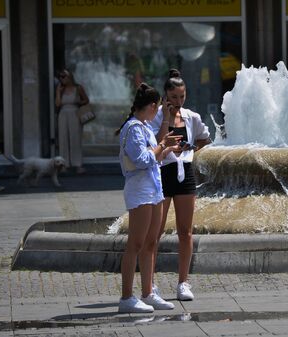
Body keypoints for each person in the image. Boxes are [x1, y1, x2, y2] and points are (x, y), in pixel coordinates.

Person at [115, 82, 182, 313]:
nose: (159, 112)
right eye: (159, 109)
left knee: (151, 243)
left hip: (154, 188)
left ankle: (148, 292)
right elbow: (143, 159)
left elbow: (154, 158)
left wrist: (167, 149)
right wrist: (162, 144)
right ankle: (126, 297)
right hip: (140, 189)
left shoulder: (143, 126)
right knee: (135, 243)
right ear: (152, 106)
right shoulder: (133, 128)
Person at [148, 69, 211, 301]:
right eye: (174, 97)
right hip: (162, 173)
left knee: (185, 232)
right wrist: (165, 116)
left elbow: (205, 138)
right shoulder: (155, 117)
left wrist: (191, 148)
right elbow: (156, 144)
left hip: (185, 173)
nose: (178, 101)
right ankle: (150, 283)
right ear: (165, 96)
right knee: (155, 232)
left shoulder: (191, 117)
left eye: (182, 97)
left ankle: (183, 282)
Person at [55, 69, 89, 174]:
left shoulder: (78, 88)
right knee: (63, 139)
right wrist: (58, 92)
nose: (62, 78)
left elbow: (86, 100)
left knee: (75, 138)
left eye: (64, 76)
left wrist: (79, 101)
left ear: (70, 77)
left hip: (74, 112)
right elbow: (57, 104)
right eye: (60, 77)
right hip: (63, 113)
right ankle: (64, 164)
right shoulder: (60, 89)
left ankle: (77, 164)